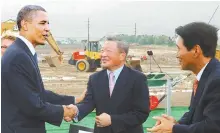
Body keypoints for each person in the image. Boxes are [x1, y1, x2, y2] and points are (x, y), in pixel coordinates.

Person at [1, 5, 84, 133]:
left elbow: (38, 93)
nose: (47, 29)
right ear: (25, 24)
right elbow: (31, 105)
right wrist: (65, 111)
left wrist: (73, 100)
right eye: (42, 23)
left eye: (48, 24)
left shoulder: (25, 52)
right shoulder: (18, 56)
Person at [147, 22, 220, 133]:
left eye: (179, 49)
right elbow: (194, 112)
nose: (177, 55)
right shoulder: (204, 75)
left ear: (196, 50)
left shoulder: (217, 80)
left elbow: (212, 127)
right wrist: (178, 123)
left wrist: (173, 129)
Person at [69, 37, 150, 133]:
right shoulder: (95, 78)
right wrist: (74, 111)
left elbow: (141, 113)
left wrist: (112, 120)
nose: (103, 55)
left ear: (122, 56)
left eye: (108, 51)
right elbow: (88, 103)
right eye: (102, 51)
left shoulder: (137, 78)